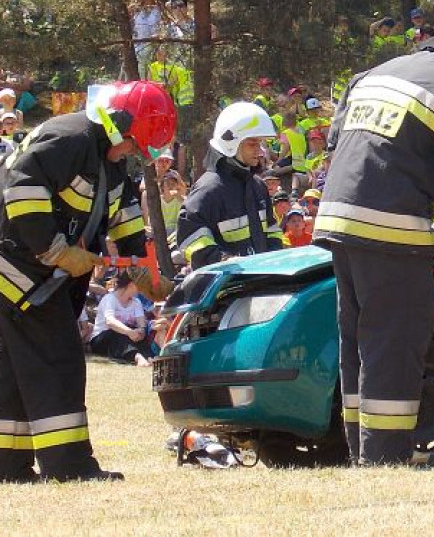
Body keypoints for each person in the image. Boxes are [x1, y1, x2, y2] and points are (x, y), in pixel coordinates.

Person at [313, 16, 434, 466]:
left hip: (341, 222)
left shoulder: (375, 74)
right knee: (394, 341)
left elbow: (348, 145)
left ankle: (362, 449)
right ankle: (384, 458)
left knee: (357, 339)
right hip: (391, 230)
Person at [0, 80, 176, 482]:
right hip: (19, 271)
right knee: (58, 360)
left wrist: (143, 273)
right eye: (133, 142)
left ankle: (7, 466)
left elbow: (126, 218)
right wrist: (55, 249)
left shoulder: (109, 162)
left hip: (34, 275)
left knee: (13, 368)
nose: (134, 152)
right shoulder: (70, 137)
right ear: (115, 123)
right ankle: (70, 467)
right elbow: (22, 188)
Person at [176, 102, 283, 269]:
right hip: (227, 288)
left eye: (260, 144)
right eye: (252, 144)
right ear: (231, 143)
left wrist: (274, 259)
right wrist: (223, 262)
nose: (260, 151)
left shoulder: (258, 186)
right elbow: (190, 235)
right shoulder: (209, 189)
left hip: (260, 281)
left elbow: (272, 229)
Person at [88, 274, 150, 367]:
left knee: (139, 334)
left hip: (125, 336)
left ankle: (148, 357)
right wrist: (129, 332)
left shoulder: (136, 302)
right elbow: (110, 321)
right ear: (131, 285)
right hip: (102, 339)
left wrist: (141, 331)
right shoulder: (109, 299)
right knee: (118, 332)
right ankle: (137, 357)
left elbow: (141, 323)